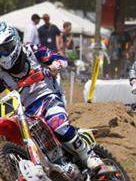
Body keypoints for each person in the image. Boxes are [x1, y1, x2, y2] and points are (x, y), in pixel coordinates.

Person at [0, 22, 104, 172]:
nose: (3, 54)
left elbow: (62, 60)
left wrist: (53, 66)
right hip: (27, 110)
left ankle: (88, 155)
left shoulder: (32, 50)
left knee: (58, 126)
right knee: (24, 136)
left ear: (14, 41)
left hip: (49, 95)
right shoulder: (2, 73)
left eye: (5, 48)